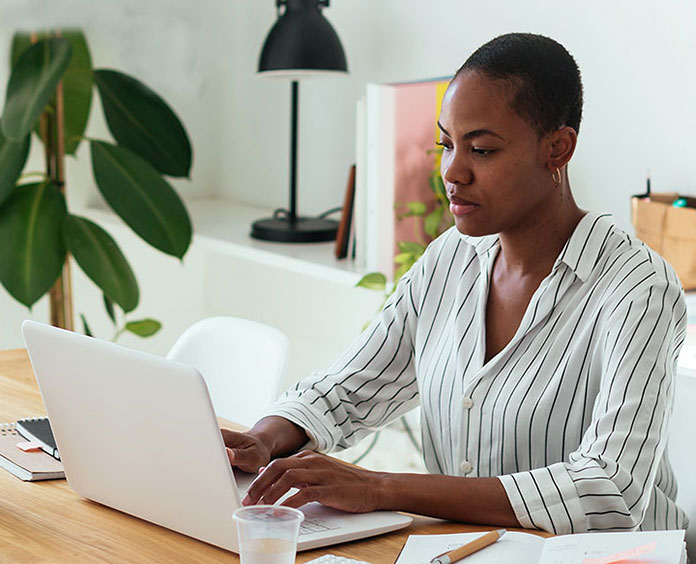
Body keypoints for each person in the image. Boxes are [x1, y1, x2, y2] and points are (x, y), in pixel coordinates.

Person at [223, 32, 688, 535]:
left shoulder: (637, 288)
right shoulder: (450, 259)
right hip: (470, 558)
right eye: (447, 144)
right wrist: (267, 437)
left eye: (482, 150)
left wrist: (382, 488)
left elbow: (609, 490)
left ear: (558, 148)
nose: (452, 171)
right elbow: (349, 390)